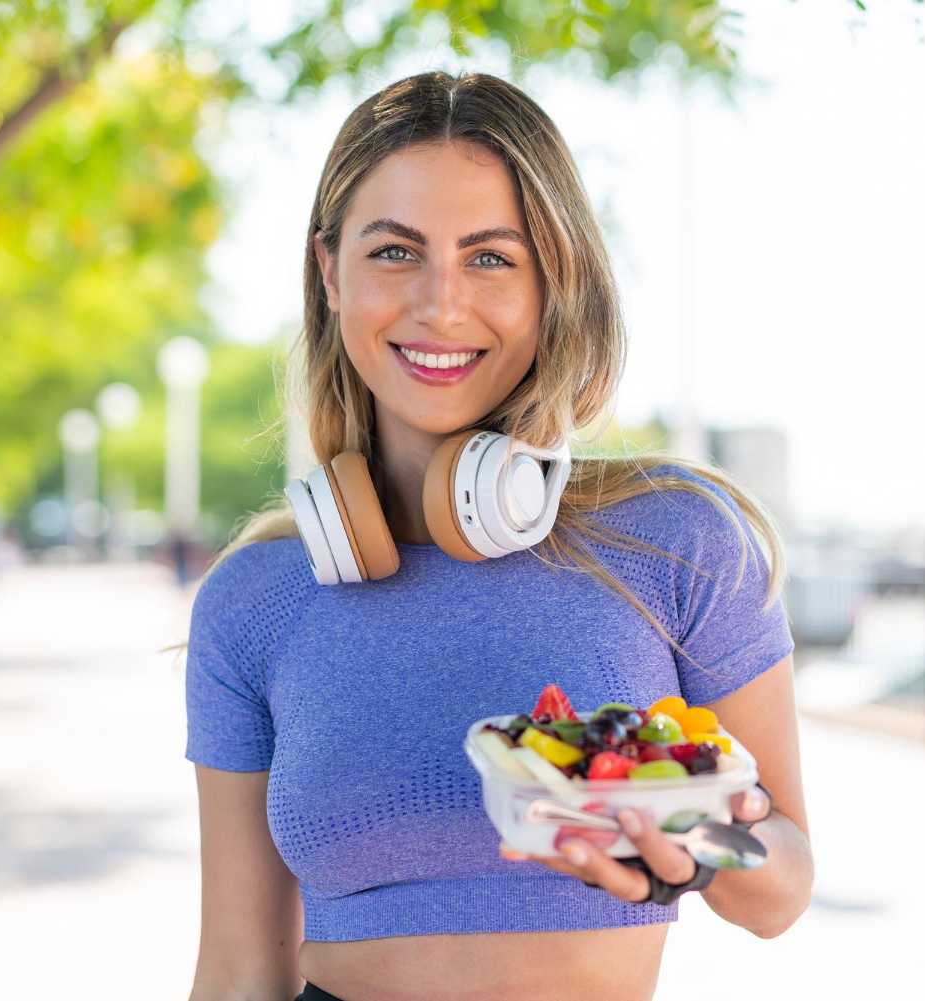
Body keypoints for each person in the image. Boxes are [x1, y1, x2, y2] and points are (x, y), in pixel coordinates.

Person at [183, 70, 813, 1001]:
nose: (441, 305)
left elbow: (781, 891)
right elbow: (239, 974)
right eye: (396, 251)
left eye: (490, 258)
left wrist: (695, 836)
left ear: (553, 280)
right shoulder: (253, 602)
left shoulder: (677, 540)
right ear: (329, 270)